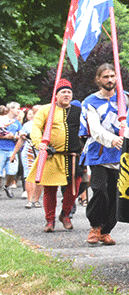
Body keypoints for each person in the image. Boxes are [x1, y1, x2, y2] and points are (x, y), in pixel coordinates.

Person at [79, 63, 129, 245]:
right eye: (106, 77)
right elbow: (94, 129)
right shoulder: (90, 102)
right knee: (100, 191)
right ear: (98, 79)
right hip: (98, 153)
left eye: (112, 76)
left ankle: (106, 230)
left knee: (116, 195)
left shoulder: (125, 99)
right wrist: (112, 139)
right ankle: (95, 227)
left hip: (120, 155)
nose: (110, 80)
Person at [27, 80, 83, 232]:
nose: (66, 95)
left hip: (72, 157)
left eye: (69, 92)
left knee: (74, 188)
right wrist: (40, 143)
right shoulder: (46, 110)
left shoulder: (78, 111)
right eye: (63, 92)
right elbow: (36, 128)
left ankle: (65, 214)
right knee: (50, 190)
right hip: (51, 156)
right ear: (56, 95)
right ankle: (49, 220)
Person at [11, 107, 41, 207]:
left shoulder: (47, 125)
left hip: (41, 152)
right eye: (35, 112)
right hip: (29, 152)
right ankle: (29, 199)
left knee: (40, 175)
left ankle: (36, 200)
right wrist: (14, 153)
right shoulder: (27, 125)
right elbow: (21, 140)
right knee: (28, 175)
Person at [0, 102, 22, 197]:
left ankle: (7, 186)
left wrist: (15, 136)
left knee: (12, 171)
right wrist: (5, 137)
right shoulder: (1, 119)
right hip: (1, 148)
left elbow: (21, 135)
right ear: (11, 109)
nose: (19, 110)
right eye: (17, 108)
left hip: (13, 150)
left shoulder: (17, 122)